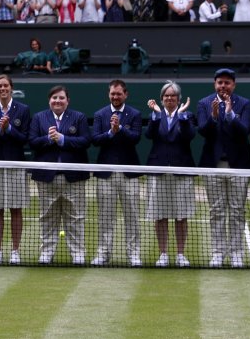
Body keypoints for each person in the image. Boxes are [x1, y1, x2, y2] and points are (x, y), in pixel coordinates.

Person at [197, 68, 250, 268]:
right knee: (216, 211)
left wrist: (230, 113)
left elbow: (244, 131)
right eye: (220, 82)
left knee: (237, 211)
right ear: (215, 84)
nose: (223, 86)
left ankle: (237, 253)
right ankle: (218, 253)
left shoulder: (244, 104)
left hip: (238, 164)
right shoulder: (204, 103)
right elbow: (203, 132)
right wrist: (213, 116)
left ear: (233, 85)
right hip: (213, 166)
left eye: (227, 82)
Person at [28, 85, 91, 265]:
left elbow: (86, 141)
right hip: (47, 177)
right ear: (49, 100)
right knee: (48, 217)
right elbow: (32, 142)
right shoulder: (39, 118)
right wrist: (49, 139)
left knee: (76, 217)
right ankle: (46, 253)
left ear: (67, 101)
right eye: (54, 98)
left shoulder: (78, 117)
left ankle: (78, 254)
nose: (58, 101)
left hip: (73, 176)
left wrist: (62, 139)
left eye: (61, 98)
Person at [91, 80, 142, 267]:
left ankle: (134, 254)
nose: (115, 97)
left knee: (133, 216)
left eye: (119, 94)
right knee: (105, 216)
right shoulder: (100, 114)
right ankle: (103, 253)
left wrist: (119, 129)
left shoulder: (134, 114)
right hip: (106, 173)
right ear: (109, 94)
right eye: (113, 94)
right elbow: (95, 139)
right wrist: (111, 133)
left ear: (125, 94)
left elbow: (136, 138)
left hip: (129, 172)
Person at [145, 81, 196, 268]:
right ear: (161, 98)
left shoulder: (187, 115)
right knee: (160, 215)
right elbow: (149, 135)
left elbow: (189, 136)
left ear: (178, 99)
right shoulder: (156, 116)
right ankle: (163, 254)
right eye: (166, 96)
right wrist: (156, 116)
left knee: (181, 216)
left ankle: (180, 254)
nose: (169, 98)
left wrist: (182, 116)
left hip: (181, 171)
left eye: (173, 96)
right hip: (158, 170)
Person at [0, 74, 31, 265]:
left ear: (11, 88)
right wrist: (0, 131)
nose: (3, 89)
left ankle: (15, 251)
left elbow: (25, 138)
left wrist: (9, 129)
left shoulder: (23, 110)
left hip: (16, 164)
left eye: (6, 86)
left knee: (16, 209)